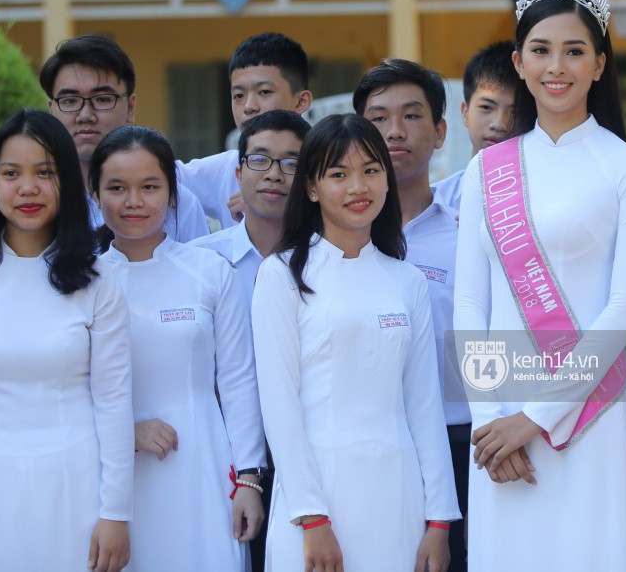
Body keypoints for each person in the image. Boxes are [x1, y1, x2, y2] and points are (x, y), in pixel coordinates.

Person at [453, 0, 626, 571]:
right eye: (541, 51)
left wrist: (534, 418)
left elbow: (625, 308)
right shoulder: (485, 170)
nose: (557, 67)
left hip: (587, 419)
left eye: (575, 51)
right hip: (499, 427)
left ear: (600, 64)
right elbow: (470, 304)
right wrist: (491, 421)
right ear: (519, 63)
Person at [0, 109, 133, 572]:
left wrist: (116, 512)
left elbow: (114, 401)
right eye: (11, 173)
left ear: (67, 182)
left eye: (45, 172)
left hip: (77, 487)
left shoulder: (99, 281)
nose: (27, 188)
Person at [252, 113, 460, 572]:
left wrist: (439, 519)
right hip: (316, 500)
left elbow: (424, 407)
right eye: (338, 174)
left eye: (370, 170)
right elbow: (279, 405)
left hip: (398, 498)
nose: (358, 187)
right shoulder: (282, 275)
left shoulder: (407, 280)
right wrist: (312, 516)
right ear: (311, 187)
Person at [91, 126, 267, 571]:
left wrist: (249, 477)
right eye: (117, 188)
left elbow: (238, 379)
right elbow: (65, 389)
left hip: (203, 465)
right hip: (110, 476)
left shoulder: (209, 270)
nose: (134, 201)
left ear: (173, 195)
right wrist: (123, 432)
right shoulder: (80, 281)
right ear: (95, 194)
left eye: (150, 187)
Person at [354, 58, 470, 570]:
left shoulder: (471, 238)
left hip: (457, 440)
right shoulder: (328, 244)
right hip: (364, 444)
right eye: (378, 118)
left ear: (440, 132)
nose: (394, 132)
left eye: (412, 115)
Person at [190, 109, 310, 570]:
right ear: (238, 173)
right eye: (260, 160)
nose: (274, 174)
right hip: (220, 457)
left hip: (311, 452)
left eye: (292, 163)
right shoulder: (199, 263)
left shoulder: (329, 262)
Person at [39, 34, 209, 242]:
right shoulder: (35, 200)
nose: (85, 115)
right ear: (51, 110)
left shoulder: (178, 205)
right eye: (69, 100)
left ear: (130, 107)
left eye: (102, 99)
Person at [177, 32, 313, 227]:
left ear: (301, 101)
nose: (249, 106)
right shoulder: (224, 168)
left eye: (264, 92)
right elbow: (157, 180)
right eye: (239, 95)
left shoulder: (330, 161)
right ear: (238, 174)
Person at [433, 41, 518, 211]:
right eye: (486, 107)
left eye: (515, 112)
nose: (499, 124)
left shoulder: (543, 202)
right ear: (465, 113)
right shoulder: (438, 202)